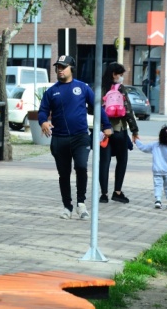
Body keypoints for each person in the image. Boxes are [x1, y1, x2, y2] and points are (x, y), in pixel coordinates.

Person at [38, 55, 113, 220]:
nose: (59, 70)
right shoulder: (51, 91)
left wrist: (106, 125)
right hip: (59, 138)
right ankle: (67, 206)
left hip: (80, 137)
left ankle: (81, 203)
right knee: (63, 174)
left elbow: (96, 106)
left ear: (71, 68)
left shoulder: (83, 88)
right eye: (57, 67)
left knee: (80, 167)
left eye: (63, 67)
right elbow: (43, 110)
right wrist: (43, 121)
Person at [99, 62, 140, 204]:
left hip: (104, 132)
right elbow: (128, 110)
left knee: (104, 162)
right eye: (120, 75)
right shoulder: (120, 88)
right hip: (119, 130)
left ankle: (103, 194)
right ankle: (117, 192)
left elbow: (91, 109)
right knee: (122, 160)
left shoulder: (100, 88)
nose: (121, 78)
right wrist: (134, 130)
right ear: (114, 74)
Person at [135, 125, 167, 210]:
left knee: (158, 186)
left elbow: (143, 148)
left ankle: (158, 200)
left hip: (157, 171)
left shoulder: (154, 145)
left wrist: (136, 141)